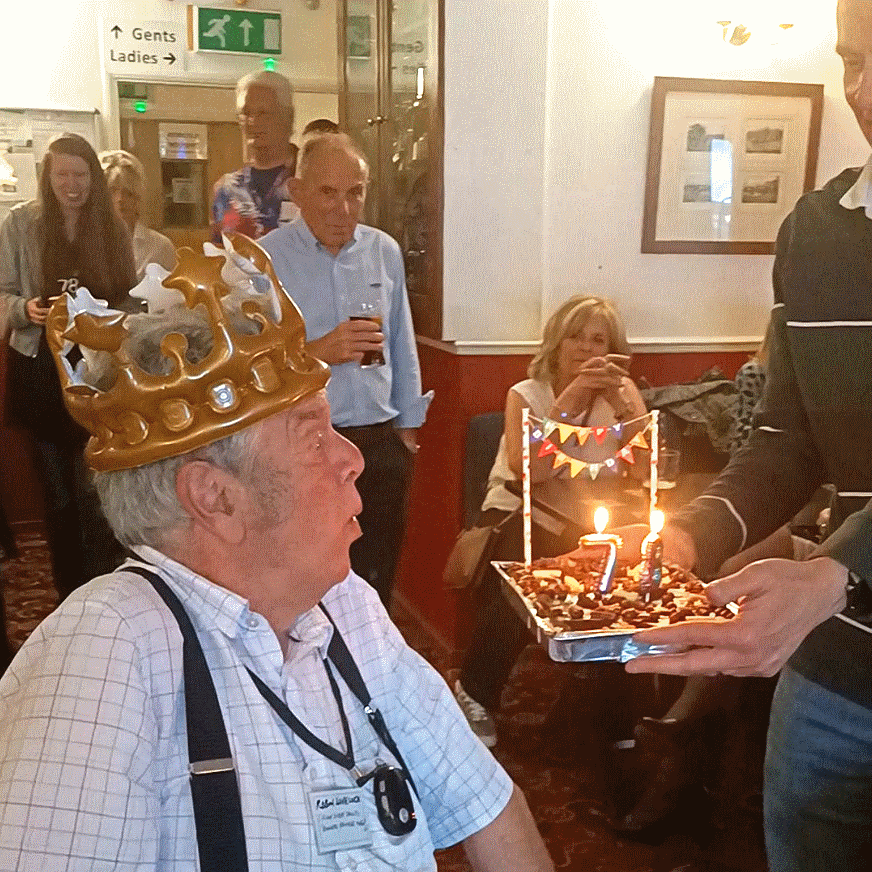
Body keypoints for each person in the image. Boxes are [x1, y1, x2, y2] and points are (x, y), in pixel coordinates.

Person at [0, 235, 554, 872]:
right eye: (313, 436)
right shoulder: (106, 653)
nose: (354, 458)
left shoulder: (345, 604)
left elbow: (488, 806)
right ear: (215, 496)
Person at [619, 3, 872, 868]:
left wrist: (834, 571)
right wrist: (692, 532)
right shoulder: (815, 234)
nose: (864, 94)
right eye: (852, 61)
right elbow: (784, 440)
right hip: (839, 668)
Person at [452, 296, 647, 747]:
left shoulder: (623, 397)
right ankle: (475, 689)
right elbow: (532, 472)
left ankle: (614, 722)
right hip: (522, 512)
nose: (584, 346)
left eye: (597, 339)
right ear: (556, 342)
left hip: (591, 521)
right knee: (528, 575)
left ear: (613, 350)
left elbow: (646, 471)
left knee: (619, 587)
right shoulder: (526, 395)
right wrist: (570, 402)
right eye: (575, 335)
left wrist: (627, 409)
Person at [260, 134, 432, 607]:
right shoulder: (265, 259)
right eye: (328, 193)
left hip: (379, 440)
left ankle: (368, 669)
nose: (343, 207)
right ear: (298, 193)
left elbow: (401, 341)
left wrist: (408, 431)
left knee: (376, 574)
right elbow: (255, 365)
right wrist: (318, 350)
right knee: (309, 576)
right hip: (306, 438)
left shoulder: (384, 250)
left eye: (355, 192)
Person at [0, 132, 134, 600]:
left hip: (96, 371)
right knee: (57, 496)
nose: (72, 185)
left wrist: (110, 318)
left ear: (93, 178)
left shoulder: (110, 227)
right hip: (41, 370)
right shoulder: (21, 224)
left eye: (81, 175)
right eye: (63, 175)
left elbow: (127, 298)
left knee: (95, 490)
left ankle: (103, 588)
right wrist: (24, 310)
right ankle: (68, 592)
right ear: (48, 177)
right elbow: (2, 294)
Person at [211, 70, 299, 243]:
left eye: (263, 113)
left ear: (288, 117)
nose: (252, 121)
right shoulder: (226, 189)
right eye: (245, 113)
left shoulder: (310, 182)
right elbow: (217, 253)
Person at [99, 149, 176, 280]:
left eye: (127, 192)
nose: (120, 199)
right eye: (112, 191)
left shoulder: (160, 246)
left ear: (137, 196)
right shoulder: (87, 243)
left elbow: (173, 296)